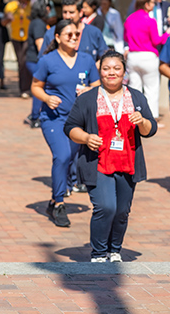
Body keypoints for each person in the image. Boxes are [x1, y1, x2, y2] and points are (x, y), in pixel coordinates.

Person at [65, 51, 157, 262]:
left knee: (122, 211)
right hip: (97, 162)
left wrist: (141, 121)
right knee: (106, 207)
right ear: (100, 72)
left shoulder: (136, 97)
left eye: (117, 68)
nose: (111, 73)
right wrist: (87, 137)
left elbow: (150, 130)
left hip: (128, 162)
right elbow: (70, 127)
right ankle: (98, 253)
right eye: (106, 69)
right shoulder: (88, 98)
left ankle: (114, 250)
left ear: (124, 71)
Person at [31, 20, 100, 228]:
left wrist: (88, 90)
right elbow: (35, 86)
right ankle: (60, 203)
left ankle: (53, 201)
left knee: (69, 158)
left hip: (78, 122)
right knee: (61, 156)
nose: (73, 38)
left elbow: (97, 86)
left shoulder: (87, 60)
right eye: (68, 34)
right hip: (53, 119)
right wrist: (46, 98)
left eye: (76, 34)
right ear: (58, 38)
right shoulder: (47, 61)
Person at [124, 0, 170, 120]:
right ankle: (152, 117)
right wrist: (166, 34)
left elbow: (126, 37)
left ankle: (131, 115)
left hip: (133, 56)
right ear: (146, 4)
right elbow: (156, 40)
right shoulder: (150, 21)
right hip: (148, 56)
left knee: (134, 88)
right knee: (151, 89)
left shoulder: (129, 19)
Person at [38, 0, 108, 63]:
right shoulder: (52, 32)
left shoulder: (94, 33)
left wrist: (92, 68)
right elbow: (42, 59)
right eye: (65, 12)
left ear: (80, 12)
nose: (67, 16)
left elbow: (105, 58)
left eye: (71, 12)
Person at [24, 0, 51, 128]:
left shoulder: (37, 22)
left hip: (33, 60)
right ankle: (35, 117)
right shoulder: (39, 24)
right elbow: (40, 44)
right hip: (34, 61)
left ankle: (34, 114)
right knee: (39, 87)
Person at [4, 0, 32, 98]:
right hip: (16, 37)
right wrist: (8, 18)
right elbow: (3, 22)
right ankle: (23, 88)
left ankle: (28, 87)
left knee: (26, 62)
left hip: (29, 37)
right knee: (21, 63)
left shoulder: (33, 5)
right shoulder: (11, 6)